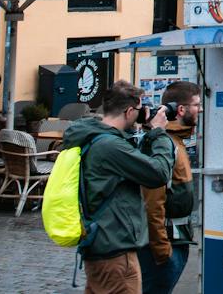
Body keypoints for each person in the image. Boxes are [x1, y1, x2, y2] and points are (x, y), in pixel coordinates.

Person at [63, 81, 177, 294]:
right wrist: (159, 132)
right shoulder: (110, 146)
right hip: (115, 252)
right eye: (140, 109)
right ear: (129, 111)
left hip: (102, 245)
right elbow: (158, 173)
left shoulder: (95, 137)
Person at [139, 81, 200, 294]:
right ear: (181, 109)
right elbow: (152, 200)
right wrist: (161, 248)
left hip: (175, 240)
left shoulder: (176, 140)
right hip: (165, 245)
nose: (199, 109)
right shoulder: (164, 143)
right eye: (196, 104)